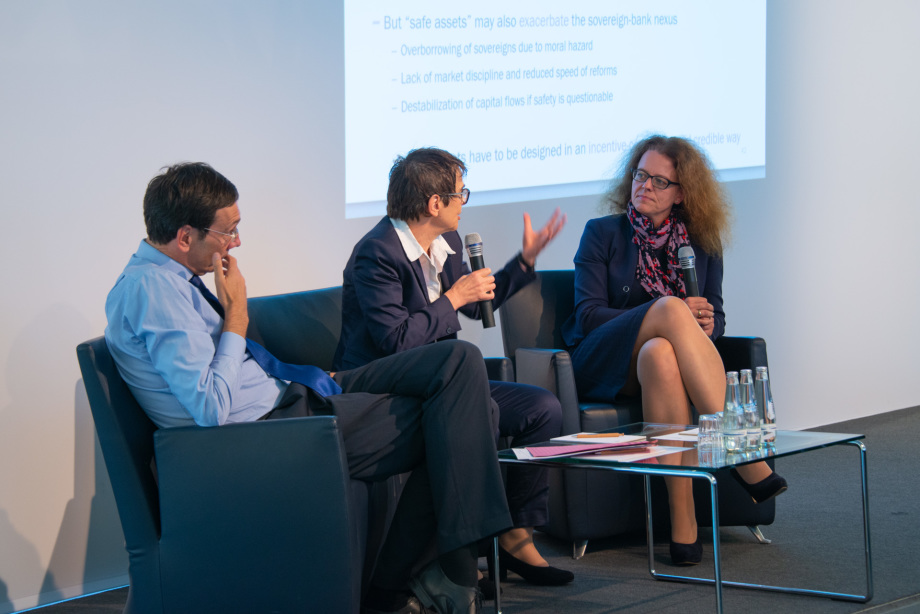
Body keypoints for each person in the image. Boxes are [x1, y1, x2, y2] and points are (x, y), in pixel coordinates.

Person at [105, 162, 514, 614]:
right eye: (228, 232)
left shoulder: (170, 281)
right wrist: (236, 319)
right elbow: (209, 407)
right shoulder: (152, 290)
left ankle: (433, 574)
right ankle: (431, 576)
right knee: (467, 417)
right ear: (185, 237)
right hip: (273, 432)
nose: (236, 243)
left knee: (457, 361)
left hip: (296, 392)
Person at [334, 147, 574, 589]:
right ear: (434, 203)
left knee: (543, 409)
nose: (465, 201)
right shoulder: (376, 253)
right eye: (461, 193)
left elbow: (473, 304)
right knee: (486, 411)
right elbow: (395, 343)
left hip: (444, 381)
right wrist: (454, 297)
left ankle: (515, 539)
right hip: (384, 387)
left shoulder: (449, 243)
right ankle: (457, 559)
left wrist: (523, 264)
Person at [562, 135, 787, 566]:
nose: (644, 185)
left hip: (653, 364)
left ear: (681, 194)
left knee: (662, 355)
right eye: (639, 175)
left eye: (658, 181)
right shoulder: (603, 233)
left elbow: (716, 318)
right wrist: (668, 311)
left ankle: (682, 524)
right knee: (668, 309)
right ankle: (743, 451)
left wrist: (705, 323)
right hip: (600, 359)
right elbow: (587, 315)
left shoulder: (702, 243)